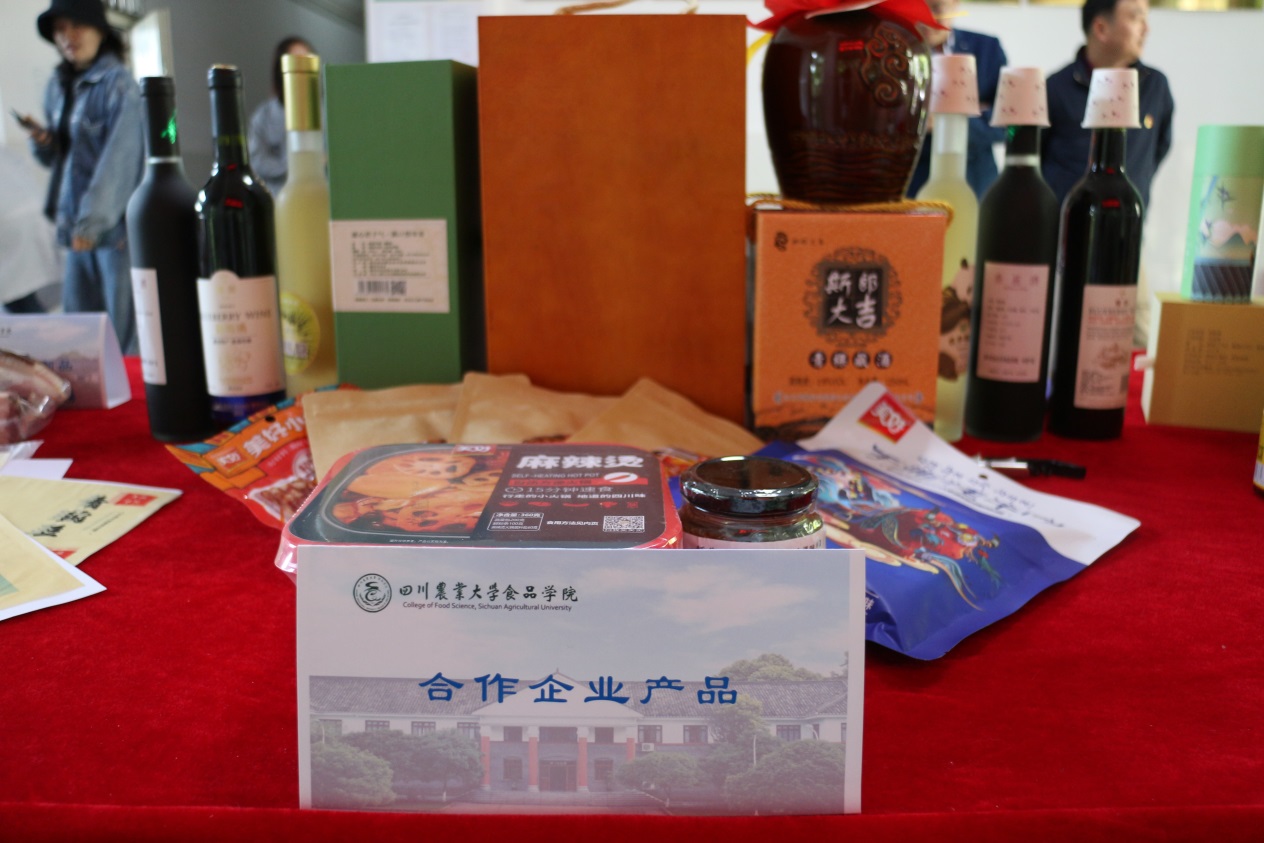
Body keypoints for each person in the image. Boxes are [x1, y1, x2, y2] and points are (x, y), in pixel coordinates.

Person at [23, 0, 142, 354]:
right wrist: (43, 142)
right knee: (79, 339)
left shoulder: (119, 85)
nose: (67, 36)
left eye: (77, 25)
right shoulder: (58, 86)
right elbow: (58, 160)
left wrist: (91, 224)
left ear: (100, 29)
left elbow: (120, 161)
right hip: (74, 228)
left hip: (111, 232)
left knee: (121, 339)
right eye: (60, 29)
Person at [1041, 0, 1174, 211]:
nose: (1146, 29)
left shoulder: (1155, 86)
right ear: (1101, 28)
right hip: (1065, 222)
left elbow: (1159, 147)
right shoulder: (1056, 87)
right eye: (1135, 18)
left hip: (1127, 220)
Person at [907, 0, 1008, 199]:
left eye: (936, 8)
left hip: (975, 181)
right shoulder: (893, 49)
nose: (926, 18)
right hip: (912, 182)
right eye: (917, 8)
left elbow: (1005, 124)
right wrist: (971, 110)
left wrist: (944, 122)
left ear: (955, 4)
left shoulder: (986, 49)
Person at [248, 36, 314, 195]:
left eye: (307, 61)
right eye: (296, 62)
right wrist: (298, 166)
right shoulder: (263, 117)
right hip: (278, 197)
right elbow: (257, 161)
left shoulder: (325, 114)